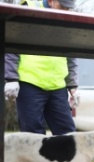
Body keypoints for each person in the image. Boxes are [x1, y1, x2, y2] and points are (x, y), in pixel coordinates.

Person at [4, 0, 79, 136]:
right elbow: (12, 43)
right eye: (62, 6)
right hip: (30, 84)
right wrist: (11, 78)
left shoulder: (67, 20)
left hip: (57, 86)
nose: (65, 11)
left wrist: (73, 86)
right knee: (33, 136)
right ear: (51, 1)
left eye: (68, 8)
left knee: (68, 135)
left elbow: (71, 55)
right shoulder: (29, 10)